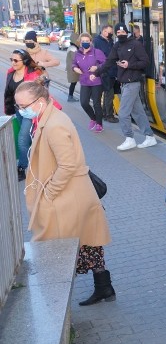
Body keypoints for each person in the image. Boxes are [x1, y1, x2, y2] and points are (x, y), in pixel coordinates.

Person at [15, 81, 115, 306]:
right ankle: (104, 287)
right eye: (18, 105)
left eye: (23, 105)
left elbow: (67, 165)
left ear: (40, 102)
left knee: (54, 251)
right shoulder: (49, 117)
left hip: (66, 198)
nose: (21, 110)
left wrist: (50, 192)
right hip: (76, 195)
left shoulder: (54, 125)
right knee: (89, 242)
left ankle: (54, 302)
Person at [92, 23, 156, 151]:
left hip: (132, 82)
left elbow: (145, 62)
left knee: (123, 113)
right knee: (138, 112)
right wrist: (96, 72)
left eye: (123, 32)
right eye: (118, 33)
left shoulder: (136, 44)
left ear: (127, 32)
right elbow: (109, 61)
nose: (121, 34)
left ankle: (129, 138)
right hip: (124, 83)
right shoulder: (117, 46)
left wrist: (129, 64)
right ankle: (150, 137)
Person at [5, 49, 42, 180]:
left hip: (30, 112)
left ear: (24, 61)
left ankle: (22, 167)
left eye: (16, 60)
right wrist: (9, 110)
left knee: (22, 139)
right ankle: (35, 160)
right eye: (11, 60)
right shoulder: (10, 73)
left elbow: (41, 93)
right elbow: (8, 94)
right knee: (28, 138)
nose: (13, 63)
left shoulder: (33, 75)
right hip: (17, 110)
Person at [73, 32, 107, 133]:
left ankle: (99, 124)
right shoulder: (77, 53)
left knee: (96, 104)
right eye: (83, 41)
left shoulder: (97, 52)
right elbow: (73, 63)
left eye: (87, 41)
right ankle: (93, 118)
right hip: (84, 81)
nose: (85, 43)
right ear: (80, 42)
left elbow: (105, 63)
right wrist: (74, 68)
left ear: (91, 42)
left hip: (96, 81)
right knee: (83, 102)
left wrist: (97, 67)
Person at [93, 25, 118, 123]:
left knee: (109, 93)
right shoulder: (97, 42)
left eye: (111, 32)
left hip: (111, 70)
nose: (111, 34)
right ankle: (109, 115)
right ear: (103, 31)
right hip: (104, 71)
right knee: (109, 94)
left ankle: (104, 113)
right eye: (109, 32)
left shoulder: (110, 41)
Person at [65, 33, 80, 102]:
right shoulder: (73, 48)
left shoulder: (72, 47)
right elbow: (76, 59)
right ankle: (70, 97)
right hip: (73, 69)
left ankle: (70, 96)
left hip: (73, 69)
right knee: (74, 83)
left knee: (74, 83)